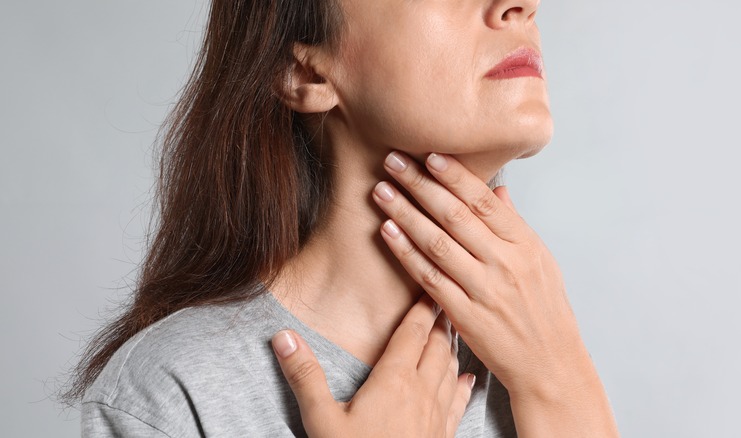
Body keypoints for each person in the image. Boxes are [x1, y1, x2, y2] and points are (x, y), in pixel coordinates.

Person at [62, 0, 620, 436]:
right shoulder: (174, 391)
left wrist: (560, 381)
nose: (520, 7)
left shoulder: (538, 354)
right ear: (304, 73)